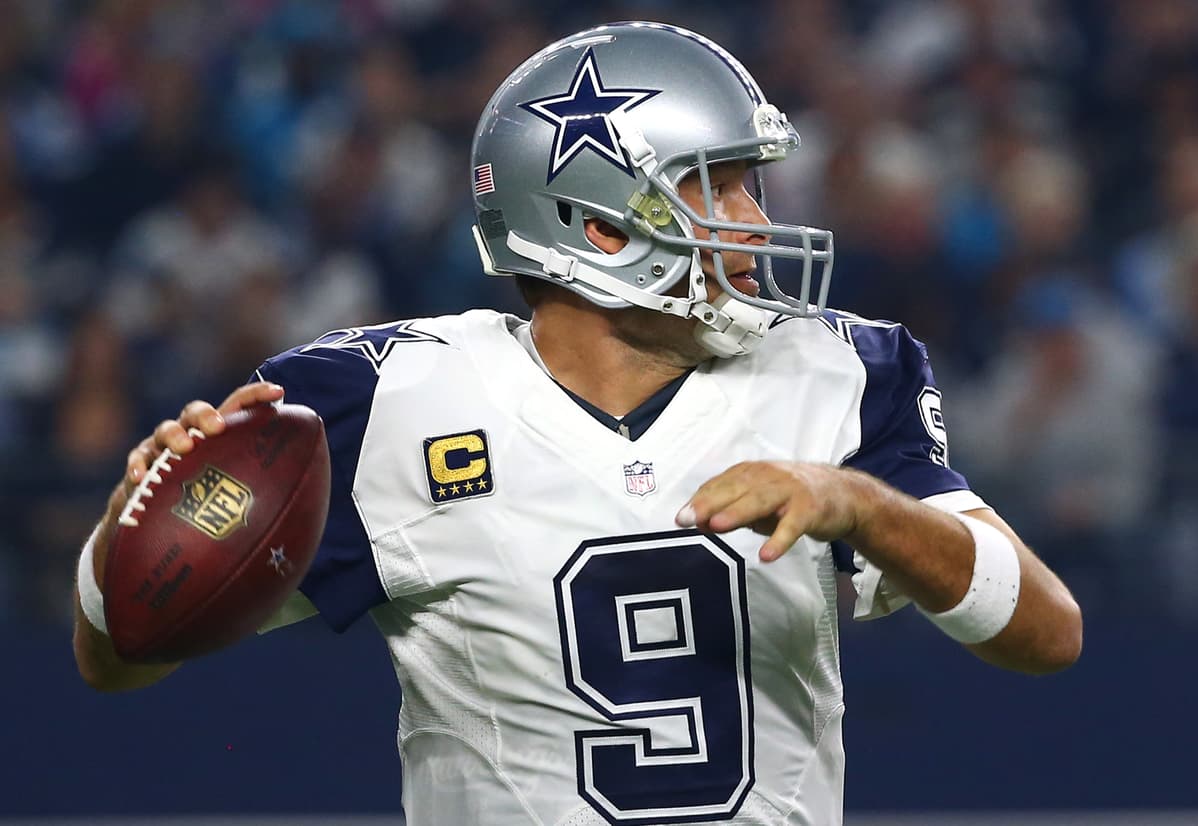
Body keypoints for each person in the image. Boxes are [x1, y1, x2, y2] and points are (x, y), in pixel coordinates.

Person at [73, 22, 1081, 825]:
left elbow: (1044, 634)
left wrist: (858, 505)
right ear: (597, 223)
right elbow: (117, 654)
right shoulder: (379, 400)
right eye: (718, 186)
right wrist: (126, 539)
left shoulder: (837, 373)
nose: (757, 221)